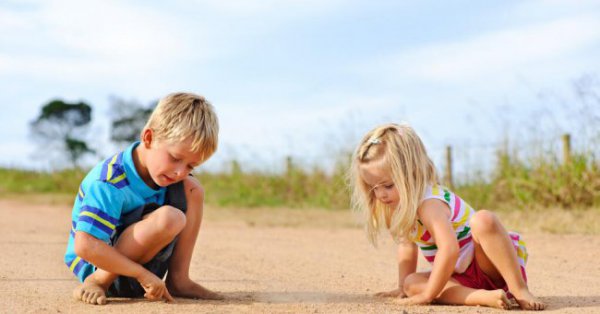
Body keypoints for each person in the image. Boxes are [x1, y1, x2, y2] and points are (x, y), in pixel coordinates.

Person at [349, 123, 545, 310]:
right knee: (412, 283)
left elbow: (449, 249)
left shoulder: (429, 203)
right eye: (373, 187)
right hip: (460, 276)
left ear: (410, 173)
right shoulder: (398, 206)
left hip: (488, 263)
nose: (381, 194)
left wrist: (428, 295)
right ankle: (483, 297)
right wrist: (403, 288)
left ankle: (519, 289)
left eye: (388, 185)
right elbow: (407, 245)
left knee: (483, 220)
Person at [64, 92, 223, 305]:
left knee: (193, 189)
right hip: (102, 265)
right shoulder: (110, 181)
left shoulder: (174, 180)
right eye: (175, 158)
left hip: (147, 270)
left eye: (190, 166)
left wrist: (145, 274)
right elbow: (85, 246)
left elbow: (183, 181)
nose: (179, 172)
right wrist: (140, 274)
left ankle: (179, 280)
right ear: (148, 138)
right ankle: (97, 282)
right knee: (170, 218)